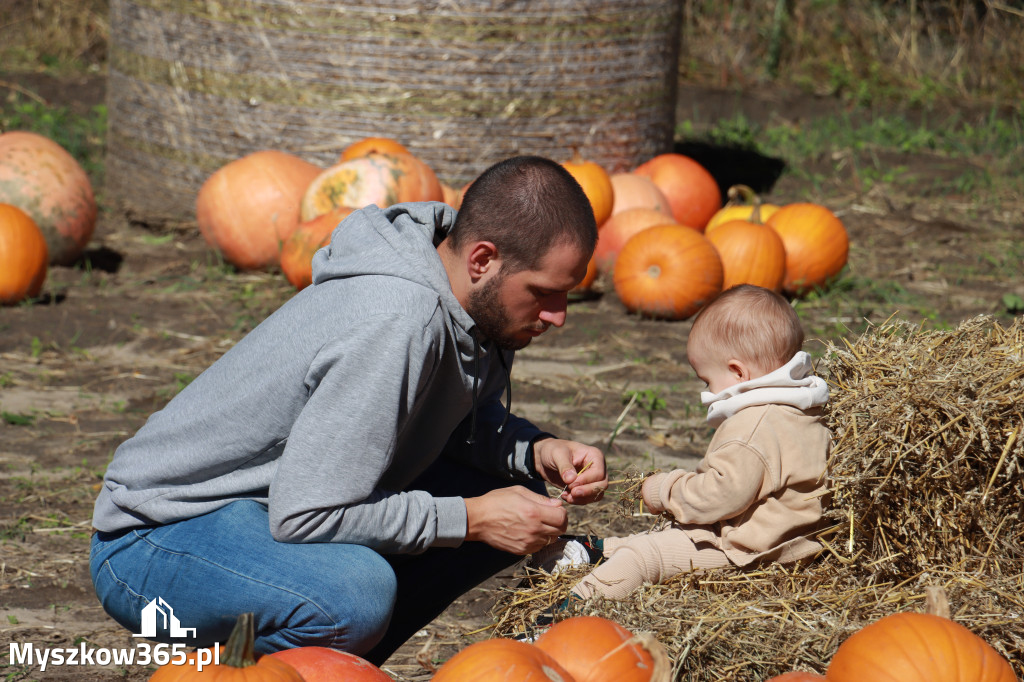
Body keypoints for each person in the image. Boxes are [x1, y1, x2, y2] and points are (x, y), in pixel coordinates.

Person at [89, 155, 609, 664]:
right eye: (544, 293)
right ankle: (270, 671)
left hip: (264, 507)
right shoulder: (396, 323)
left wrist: (533, 449)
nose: (558, 316)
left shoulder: (466, 298)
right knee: (355, 596)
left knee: (514, 498)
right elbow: (307, 513)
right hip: (155, 537)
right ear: (482, 260)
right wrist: (471, 519)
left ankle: (349, 665)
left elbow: (446, 421)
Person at [537, 284, 830, 602]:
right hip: (780, 541)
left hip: (753, 553)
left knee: (647, 557)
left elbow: (719, 497)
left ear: (737, 372)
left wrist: (663, 490)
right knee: (672, 537)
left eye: (707, 380)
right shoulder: (803, 412)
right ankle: (594, 553)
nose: (706, 392)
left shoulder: (754, 426)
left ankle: (562, 616)